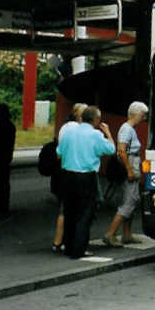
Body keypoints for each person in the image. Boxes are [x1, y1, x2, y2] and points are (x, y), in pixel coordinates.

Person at [57, 106, 115, 258]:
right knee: (84, 214)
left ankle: (68, 246)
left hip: (67, 175)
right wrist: (108, 133)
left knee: (70, 212)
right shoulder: (95, 135)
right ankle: (79, 249)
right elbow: (110, 149)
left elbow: (59, 152)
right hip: (86, 176)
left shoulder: (69, 132)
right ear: (96, 120)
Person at [103, 101, 148, 247]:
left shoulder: (129, 129)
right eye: (143, 114)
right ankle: (110, 234)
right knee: (129, 201)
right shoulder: (127, 129)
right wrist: (129, 169)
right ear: (136, 114)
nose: (144, 118)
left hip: (132, 163)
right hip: (130, 164)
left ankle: (127, 234)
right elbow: (121, 150)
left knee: (132, 200)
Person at [51, 102, 86, 253]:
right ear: (80, 115)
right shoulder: (78, 129)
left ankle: (58, 242)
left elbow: (60, 152)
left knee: (64, 209)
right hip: (76, 171)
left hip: (62, 170)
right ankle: (69, 242)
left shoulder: (65, 127)